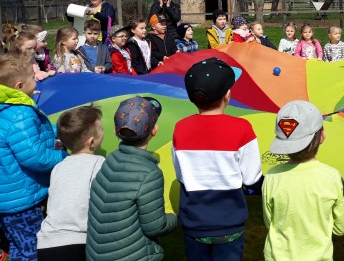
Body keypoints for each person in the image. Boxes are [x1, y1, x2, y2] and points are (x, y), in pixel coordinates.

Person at [173, 58, 263, 260]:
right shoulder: (242, 128)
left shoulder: (181, 127)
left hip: (194, 223)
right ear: (227, 95)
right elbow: (251, 178)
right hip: (229, 224)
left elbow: (181, 174)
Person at [86, 96, 176, 260]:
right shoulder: (149, 174)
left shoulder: (110, 160)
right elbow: (155, 227)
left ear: (116, 131)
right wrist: (176, 217)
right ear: (154, 130)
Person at [0, 52, 67, 261]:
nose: (36, 79)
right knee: (33, 249)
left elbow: (27, 137)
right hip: (23, 202)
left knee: (18, 246)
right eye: (32, 77)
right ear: (19, 86)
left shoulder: (6, 110)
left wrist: (59, 131)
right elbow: (34, 156)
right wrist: (62, 157)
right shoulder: (20, 113)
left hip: (8, 199)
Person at [262, 101, 344, 261]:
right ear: (322, 136)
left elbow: (269, 222)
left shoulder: (272, 176)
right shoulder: (332, 176)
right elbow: (340, 228)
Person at [37, 106, 105, 261]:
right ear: (91, 142)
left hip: (46, 243)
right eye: (101, 129)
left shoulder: (58, 167)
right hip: (77, 242)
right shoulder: (99, 163)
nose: (103, 133)